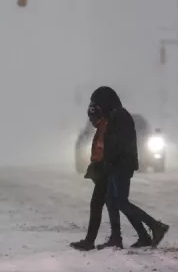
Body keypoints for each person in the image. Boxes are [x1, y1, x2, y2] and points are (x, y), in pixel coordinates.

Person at [90, 86, 169, 249]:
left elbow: (119, 144)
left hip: (121, 166)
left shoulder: (120, 116)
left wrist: (109, 160)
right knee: (112, 201)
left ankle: (155, 226)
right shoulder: (114, 116)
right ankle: (124, 237)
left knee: (121, 202)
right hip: (115, 165)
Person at [70, 103, 154, 251]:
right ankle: (132, 236)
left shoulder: (109, 124)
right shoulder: (105, 125)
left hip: (112, 169)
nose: (91, 121)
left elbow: (109, 149)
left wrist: (103, 164)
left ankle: (153, 227)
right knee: (111, 202)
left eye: (93, 117)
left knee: (117, 202)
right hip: (109, 168)